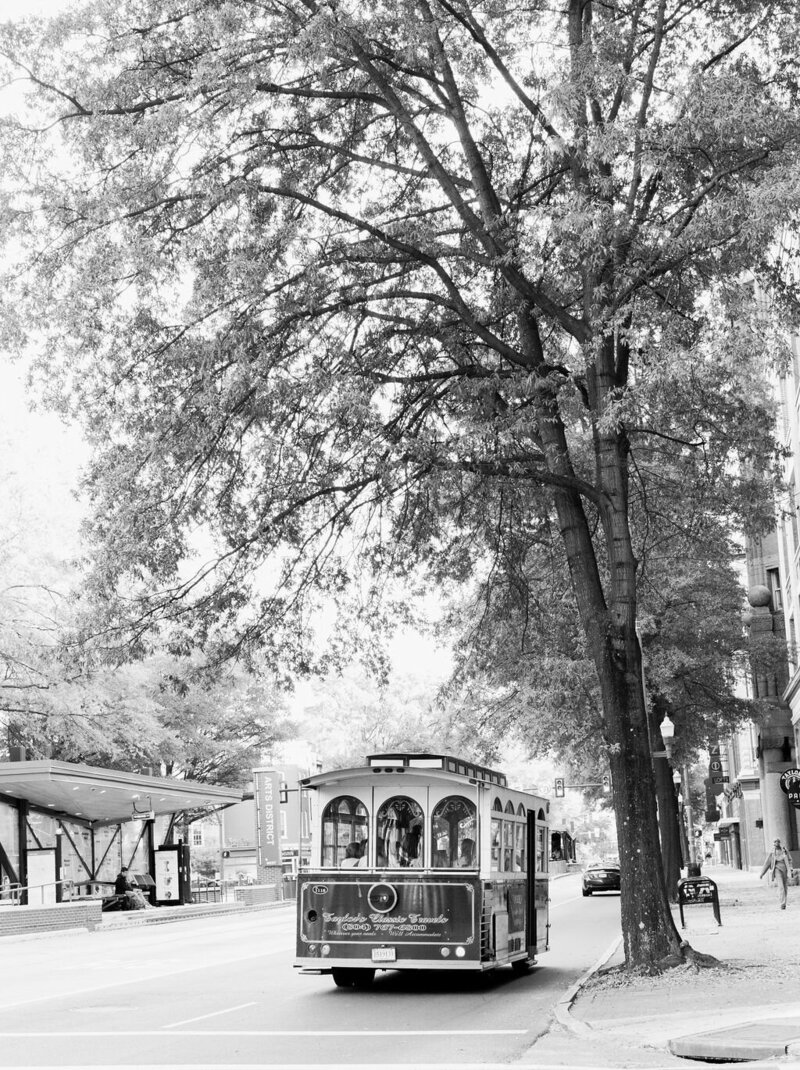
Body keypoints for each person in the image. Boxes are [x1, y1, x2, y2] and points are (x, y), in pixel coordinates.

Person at [759, 837, 795, 909]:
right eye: (774, 842)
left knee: (785, 887)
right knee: (781, 886)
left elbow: (790, 860)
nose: (775, 843)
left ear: (779, 842)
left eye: (777, 842)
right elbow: (767, 863)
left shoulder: (784, 850)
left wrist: (790, 869)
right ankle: (782, 903)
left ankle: (784, 901)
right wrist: (762, 874)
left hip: (785, 870)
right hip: (777, 871)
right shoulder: (772, 853)